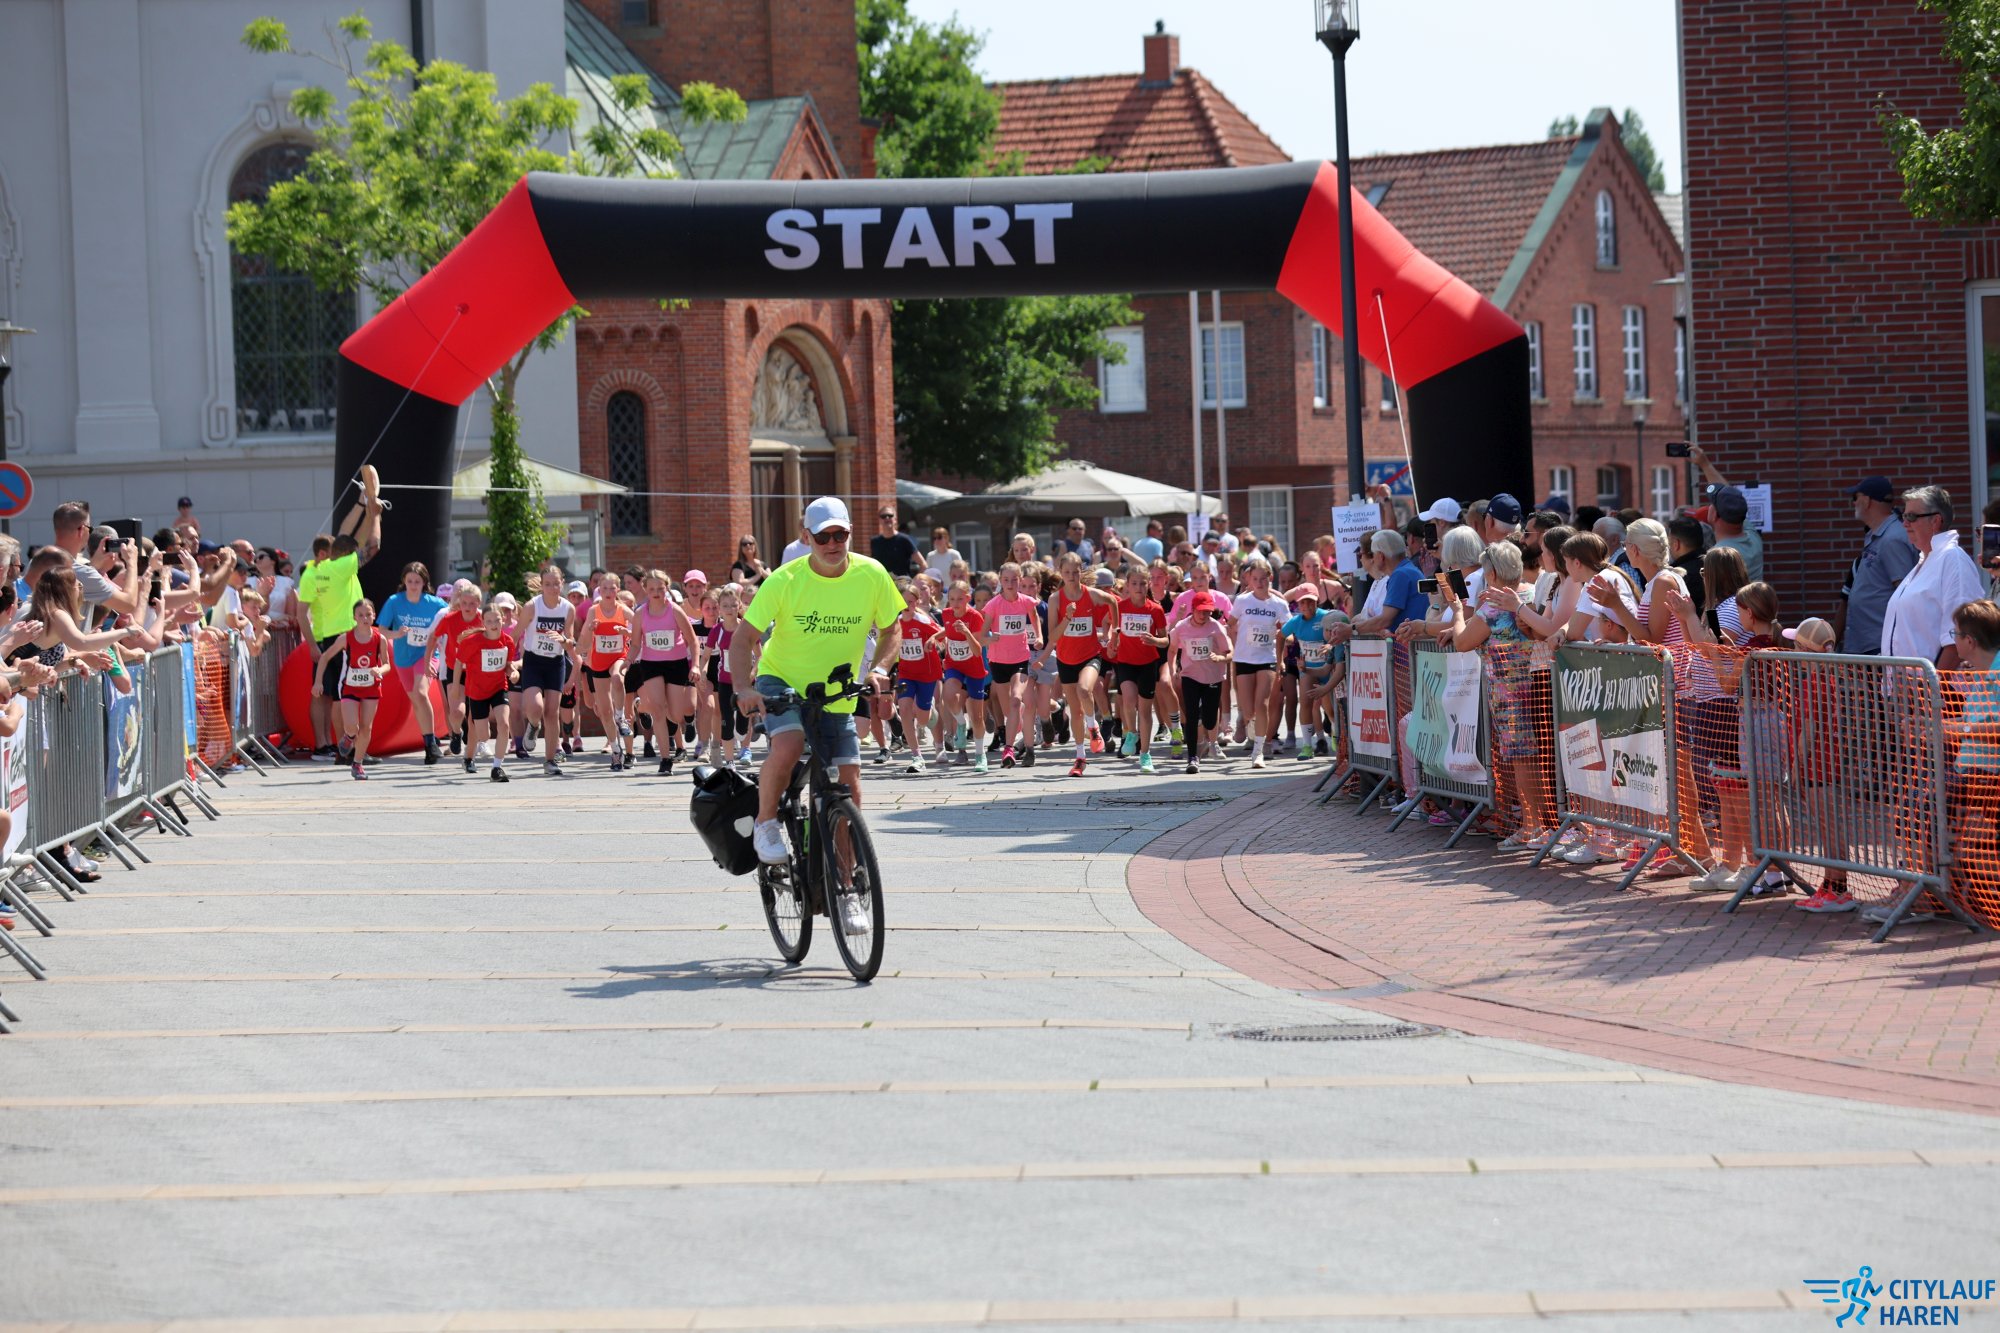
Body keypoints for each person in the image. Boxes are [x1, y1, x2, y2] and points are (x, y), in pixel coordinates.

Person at [734, 497, 905, 923]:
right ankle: (766, 822)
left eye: (839, 534)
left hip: (837, 690)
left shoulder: (871, 574)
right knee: (789, 744)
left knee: (850, 787)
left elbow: (892, 629)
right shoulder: (785, 579)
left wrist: (879, 669)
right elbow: (743, 638)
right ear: (806, 537)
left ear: (850, 533)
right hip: (782, 680)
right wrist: (742, 687)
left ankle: (846, 889)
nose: (832, 543)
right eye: (823, 536)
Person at [296, 467, 386, 756]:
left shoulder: (313, 570)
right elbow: (373, 546)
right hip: (345, 639)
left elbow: (300, 613)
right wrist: (375, 515)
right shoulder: (343, 568)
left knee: (323, 694)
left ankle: (324, 745)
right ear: (347, 555)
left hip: (324, 638)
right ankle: (344, 749)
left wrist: (363, 503)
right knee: (341, 696)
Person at [1881, 485, 1985, 667]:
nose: (1905, 524)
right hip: (1906, 684)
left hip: (1934, 684)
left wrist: (1934, 684)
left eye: (1911, 517)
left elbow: (1960, 637)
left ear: (1935, 521)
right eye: (1903, 516)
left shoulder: (1953, 560)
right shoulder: (1926, 562)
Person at [1043, 551, 1118, 776]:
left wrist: (1115, 633)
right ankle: (1080, 758)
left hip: (1090, 655)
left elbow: (1113, 601)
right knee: (1075, 712)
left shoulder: (1091, 594)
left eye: (1075, 572)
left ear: (1080, 572)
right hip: (1066, 660)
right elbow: (1053, 637)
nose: (1071, 576)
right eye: (1067, 572)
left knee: (1085, 690)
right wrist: (1067, 617)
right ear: (1061, 573)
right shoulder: (1055, 600)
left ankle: (1093, 727)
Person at [627, 570, 702, 776]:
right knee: (659, 711)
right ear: (645, 590)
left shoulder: (675, 611)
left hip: (676, 664)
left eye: (660, 588)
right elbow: (635, 644)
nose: (656, 592)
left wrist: (695, 665)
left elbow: (693, 641)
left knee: (675, 715)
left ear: (666, 588)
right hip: (651, 664)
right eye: (652, 589)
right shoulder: (640, 614)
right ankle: (665, 759)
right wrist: (627, 661)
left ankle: (645, 706)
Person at [1834, 476, 1920, 655]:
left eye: (1856, 497)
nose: (1854, 503)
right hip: (1871, 645)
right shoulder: (1881, 535)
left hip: (1881, 648)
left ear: (1867, 501)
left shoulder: (1892, 539)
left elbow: (1905, 594)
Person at [376, 563, 449, 764]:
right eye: (410, 581)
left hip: (426, 654)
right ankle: (429, 743)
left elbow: (451, 619)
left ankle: (431, 744)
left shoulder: (435, 604)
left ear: (424, 583)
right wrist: (397, 634)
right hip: (403, 658)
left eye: (417, 581)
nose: (414, 585)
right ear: (404, 582)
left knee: (421, 692)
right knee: (416, 700)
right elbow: (382, 630)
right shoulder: (394, 602)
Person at [311, 597, 388, 780]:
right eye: (360, 615)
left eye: (368, 614)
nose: (365, 618)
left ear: (374, 616)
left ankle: (357, 764)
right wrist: (318, 682)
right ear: (354, 617)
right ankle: (349, 736)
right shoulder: (346, 638)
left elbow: (387, 664)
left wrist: (380, 670)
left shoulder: (380, 639)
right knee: (352, 726)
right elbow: (325, 657)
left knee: (366, 728)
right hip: (350, 687)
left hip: (371, 687)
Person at [1106, 567, 1168, 775]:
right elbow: (1112, 627)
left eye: (1142, 583)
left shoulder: (1155, 609)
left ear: (1148, 584)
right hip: (1125, 662)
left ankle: (1145, 754)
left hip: (1148, 663)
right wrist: (1112, 642)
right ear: (1127, 585)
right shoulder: (1119, 607)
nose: (1139, 587)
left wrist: (1154, 640)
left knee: (1145, 710)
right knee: (1128, 699)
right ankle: (1131, 733)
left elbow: (1165, 640)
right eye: (1134, 583)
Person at [983, 562, 1042, 768]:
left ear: (1020, 580)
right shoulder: (993, 605)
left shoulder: (1026, 601)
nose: (1010, 584)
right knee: (1010, 712)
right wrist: (990, 638)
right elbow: (981, 635)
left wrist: (1039, 637)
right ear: (1000, 581)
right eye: (1006, 580)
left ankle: (1008, 750)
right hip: (998, 661)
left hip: (1020, 658)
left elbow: (1035, 618)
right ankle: (1021, 731)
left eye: (1014, 580)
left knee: (1016, 699)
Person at [455, 600, 519, 783]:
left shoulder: (507, 641)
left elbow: (508, 665)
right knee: (483, 735)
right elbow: (459, 662)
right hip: (477, 691)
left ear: (503, 619)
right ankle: (470, 754)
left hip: (499, 687)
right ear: (483, 622)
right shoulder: (472, 642)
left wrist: (513, 672)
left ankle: (497, 768)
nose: (493, 624)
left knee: (504, 725)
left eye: (497, 620)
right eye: (489, 621)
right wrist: (455, 689)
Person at [1169, 591, 1232, 773]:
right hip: (1190, 675)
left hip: (1213, 677)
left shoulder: (1216, 627)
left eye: (1207, 612)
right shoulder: (1181, 627)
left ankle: (1207, 739)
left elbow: (1229, 652)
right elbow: (1172, 650)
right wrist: (1172, 669)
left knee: (1210, 720)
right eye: (1200, 611)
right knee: (1191, 715)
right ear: (1193, 609)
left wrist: (1221, 658)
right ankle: (1192, 757)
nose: (1204, 615)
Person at [579, 575, 634, 771]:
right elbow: (583, 643)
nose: (609, 592)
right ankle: (616, 751)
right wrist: (590, 629)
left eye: (612, 588)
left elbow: (641, 628)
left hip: (619, 656)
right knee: (604, 711)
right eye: (605, 588)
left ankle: (621, 717)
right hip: (598, 662)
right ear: (599, 590)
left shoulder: (623, 610)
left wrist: (627, 633)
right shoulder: (593, 611)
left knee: (618, 677)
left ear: (618, 589)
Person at [937, 580, 992, 773]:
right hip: (954, 665)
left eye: (960, 599)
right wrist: (934, 637)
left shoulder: (975, 616)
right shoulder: (946, 614)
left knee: (977, 717)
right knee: (948, 695)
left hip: (974, 668)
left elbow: (977, 651)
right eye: (952, 599)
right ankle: (960, 723)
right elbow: (948, 630)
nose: (955, 603)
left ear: (968, 598)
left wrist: (967, 632)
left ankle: (980, 755)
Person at [870, 507, 921, 576]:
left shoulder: (904, 540)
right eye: (883, 516)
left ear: (895, 519)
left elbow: (923, 564)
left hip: (902, 581)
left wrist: (915, 580)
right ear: (879, 520)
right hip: (882, 581)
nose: (887, 518)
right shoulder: (875, 541)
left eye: (890, 515)